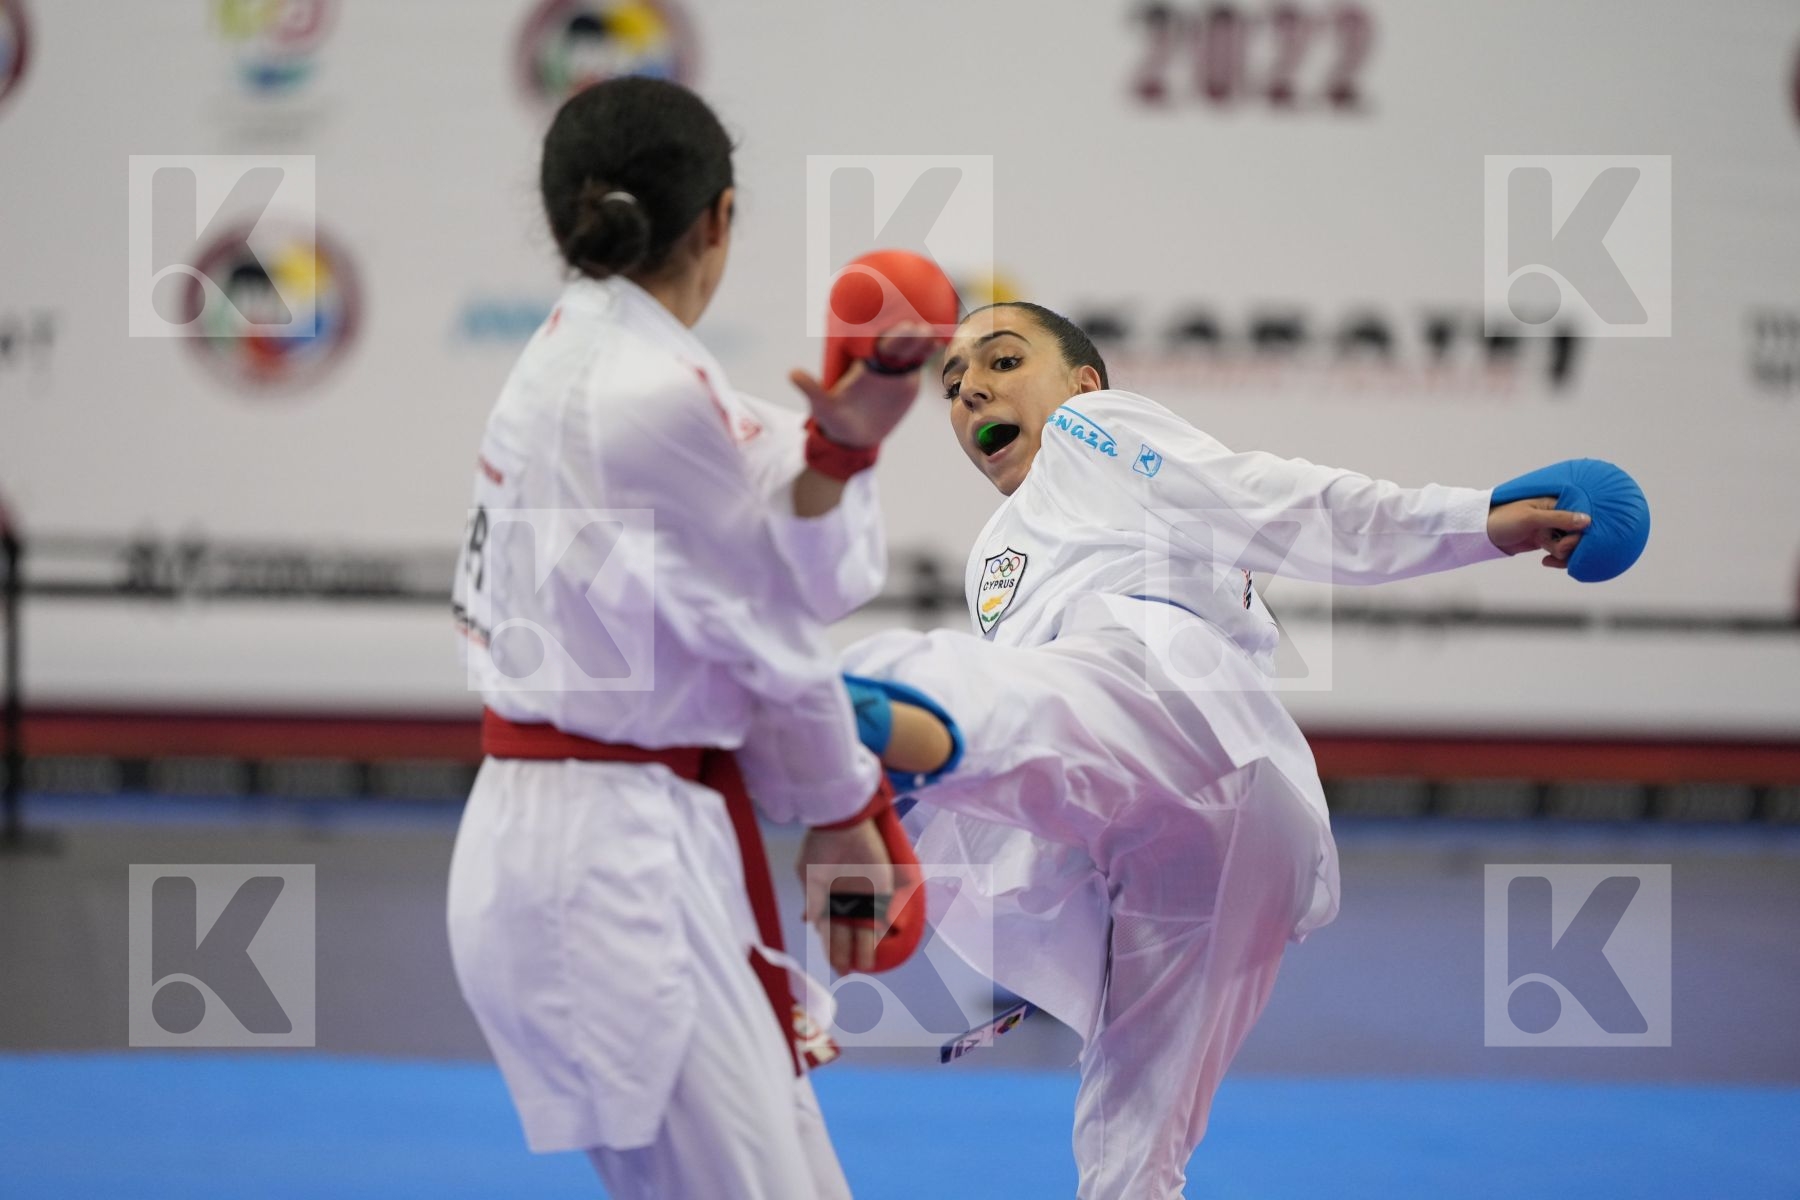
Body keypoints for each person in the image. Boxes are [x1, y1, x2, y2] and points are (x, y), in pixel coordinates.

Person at [843, 300, 1628, 1199]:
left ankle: (859, 714)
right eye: (951, 382)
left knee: (950, 684)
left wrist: (1478, 521)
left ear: (1084, 384)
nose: (969, 385)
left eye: (1003, 360)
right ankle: (886, 743)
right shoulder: (1002, 552)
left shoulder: (1088, 431)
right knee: (1131, 1146)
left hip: (1167, 697)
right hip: (1222, 838)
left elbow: (1276, 499)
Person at [445, 76, 930, 1199]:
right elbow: (769, 632)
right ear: (719, 219)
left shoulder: (605, 366)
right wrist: (847, 811)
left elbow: (785, 541)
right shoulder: (639, 392)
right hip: (606, 868)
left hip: (629, 839)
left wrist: (841, 452)